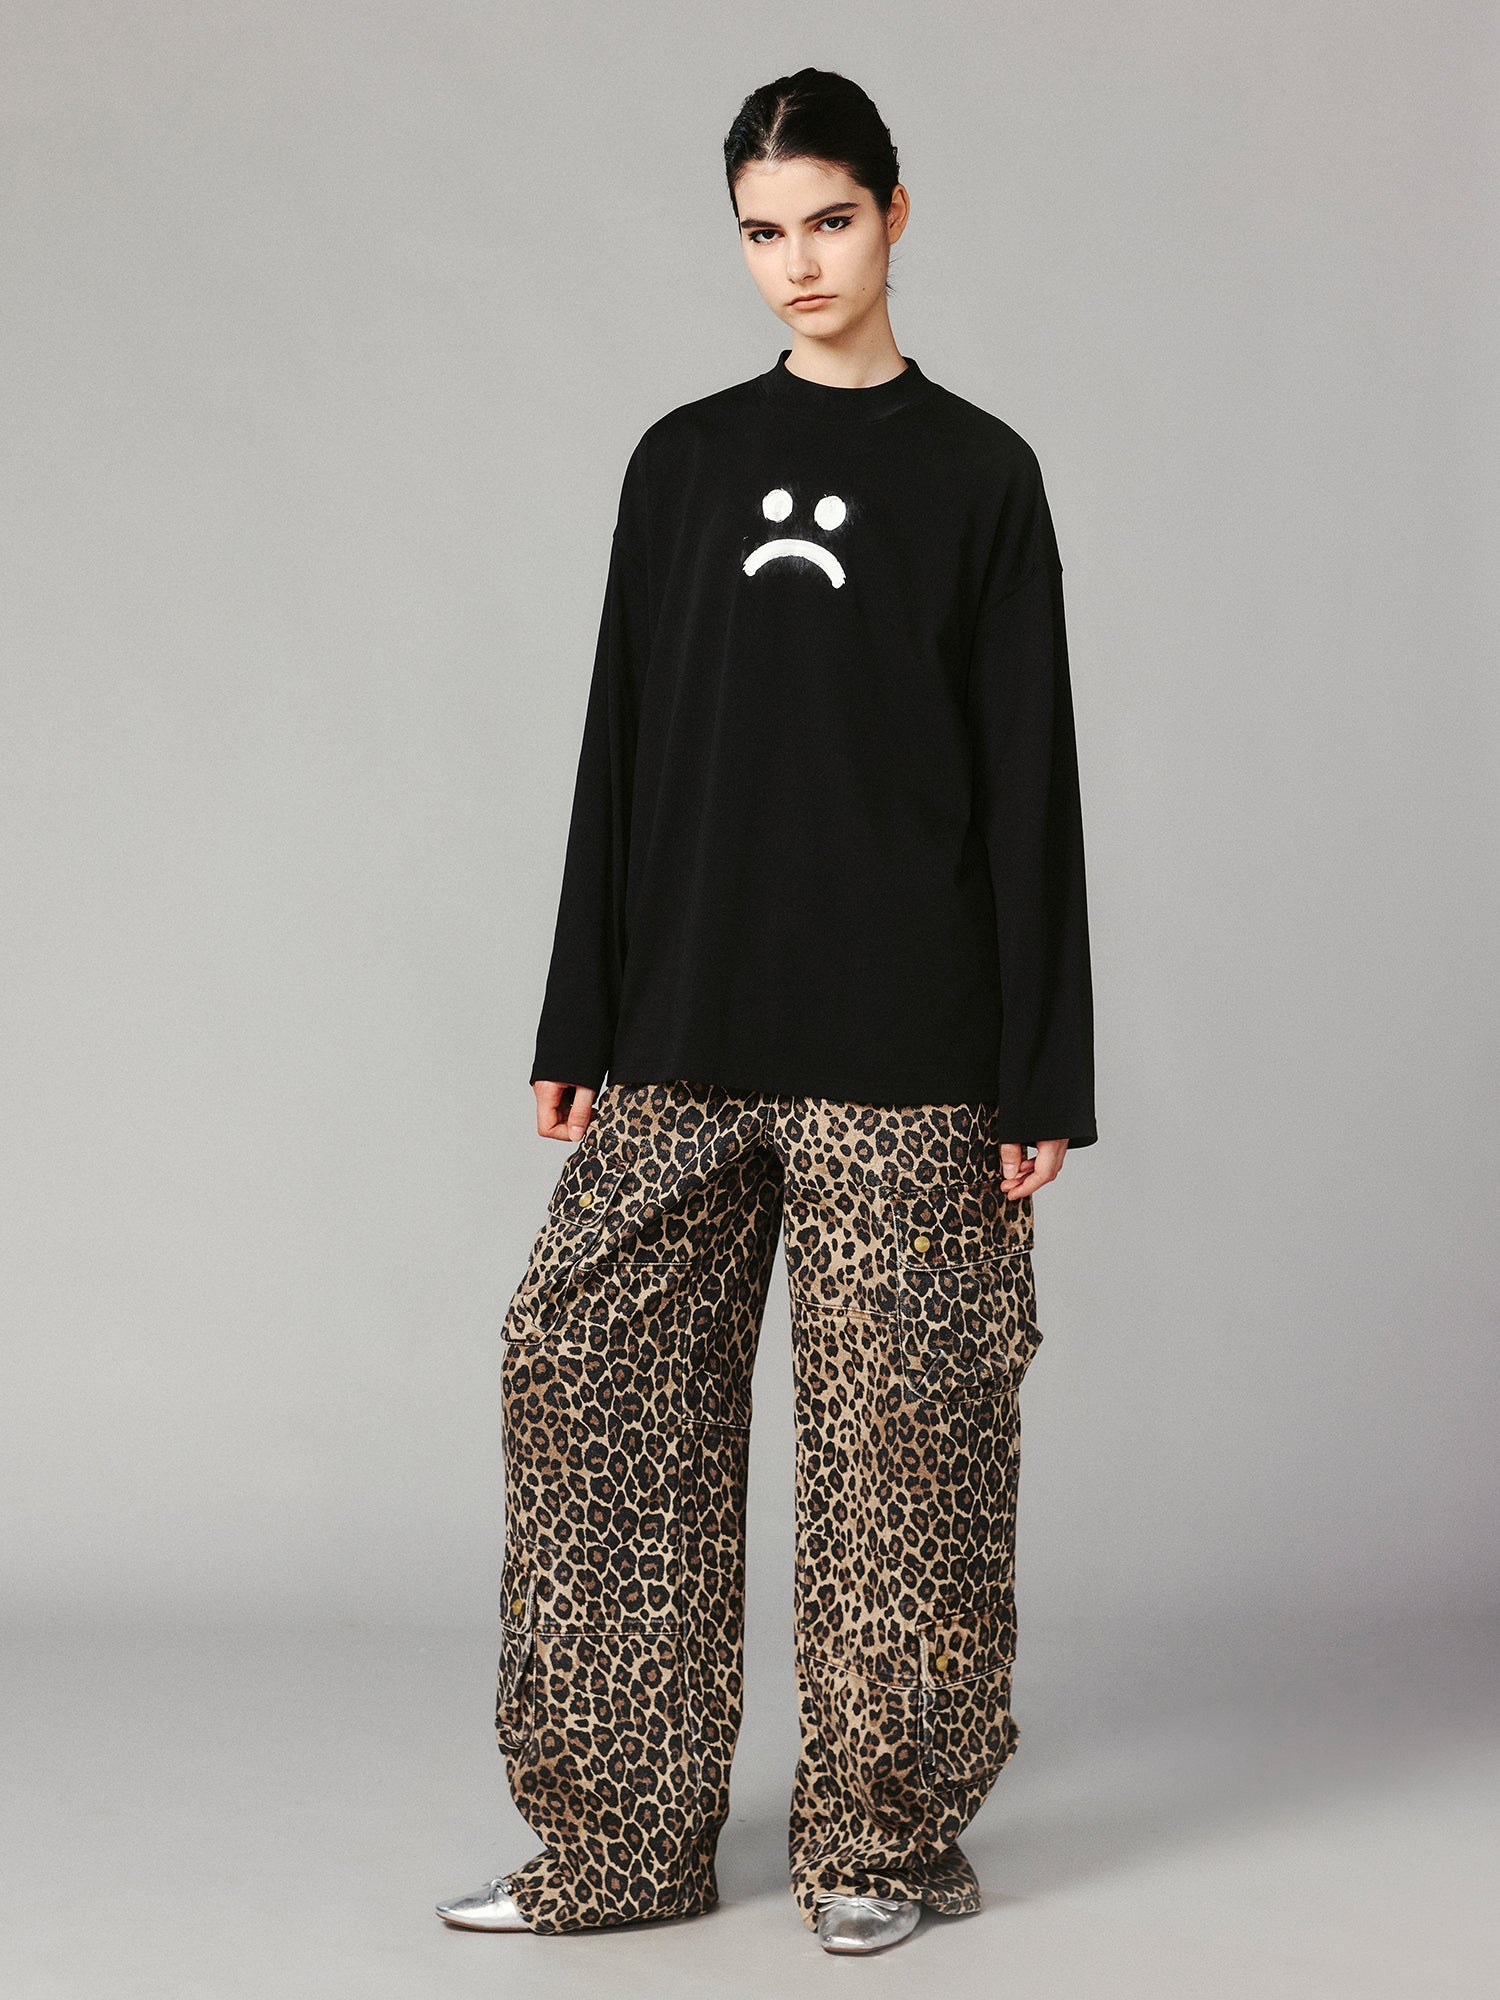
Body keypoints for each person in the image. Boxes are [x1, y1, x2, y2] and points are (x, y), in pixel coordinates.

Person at [436, 64, 1096, 1955]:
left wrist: (1041, 1070)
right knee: (589, 1389)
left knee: (908, 1461)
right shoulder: (681, 463)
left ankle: (880, 1846)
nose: (797, 262)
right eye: (761, 231)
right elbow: (622, 747)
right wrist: (577, 1017)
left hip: (912, 1052)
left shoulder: (981, 475)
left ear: (897, 215)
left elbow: (1030, 783)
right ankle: (619, 1845)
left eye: (829, 220)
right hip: (687, 1026)